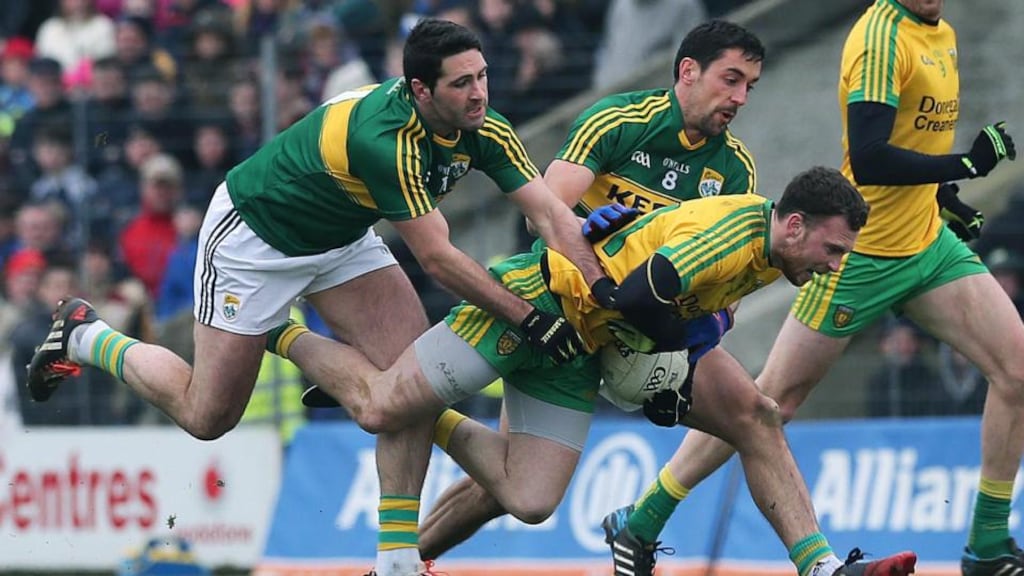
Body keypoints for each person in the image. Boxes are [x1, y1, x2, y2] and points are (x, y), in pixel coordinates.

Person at [24, 18, 609, 576]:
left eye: (482, 76)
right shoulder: (388, 140)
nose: (479, 93)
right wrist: (528, 317)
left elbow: (552, 217)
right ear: (420, 90)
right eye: (462, 83)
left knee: (416, 379)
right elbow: (437, 259)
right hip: (255, 241)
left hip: (341, 239)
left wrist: (603, 288)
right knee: (208, 417)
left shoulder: (485, 127)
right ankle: (86, 334)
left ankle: (397, 562)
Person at [277, 167, 915, 576]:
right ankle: (282, 332)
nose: (836, 264)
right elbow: (635, 297)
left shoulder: (775, 251)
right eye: (833, 250)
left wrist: (677, 370)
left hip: (579, 350)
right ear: (796, 224)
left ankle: (823, 568)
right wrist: (667, 373)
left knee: (528, 501)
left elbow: (692, 317)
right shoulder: (728, 229)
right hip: (533, 304)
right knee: (382, 406)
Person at [596, 2, 1022, 576]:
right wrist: (968, 162)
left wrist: (943, 195)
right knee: (769, 405)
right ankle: (641, 519)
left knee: (1018, 368)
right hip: (858, 256)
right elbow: (869, 157)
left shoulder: (940, 32)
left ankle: (988, 546)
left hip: (927, 245)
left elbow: (912, 136)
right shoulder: (878, 37)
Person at [416, 17, 764, 563]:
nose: (740, 97)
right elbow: (544, 214)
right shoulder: (621, 120)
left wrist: (686, 353)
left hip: (642, 334)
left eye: (749, 86)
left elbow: (726, 292)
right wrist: (598, 236)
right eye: (731, 79)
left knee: (756, 412)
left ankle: (821, 562)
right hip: (563, 308)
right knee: (512, 485)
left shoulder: (736, 170)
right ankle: (399, 543)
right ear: (688, 71)